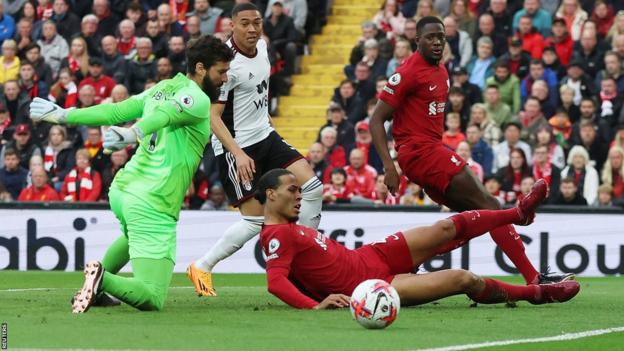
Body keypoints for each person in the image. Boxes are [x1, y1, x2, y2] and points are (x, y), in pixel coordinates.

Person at [29, 35, 234, 313]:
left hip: (123, 190)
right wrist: (132, 132)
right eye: (221, 71)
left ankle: (95, 289)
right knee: (151, 296)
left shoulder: (162, 87)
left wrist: (66, 115)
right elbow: (164, 116)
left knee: (130, 238)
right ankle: (101, 277)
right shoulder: (196, 98)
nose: (225, 78)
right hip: (153, 200)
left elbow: (116, 110)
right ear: (200, 68)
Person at [370, 16, 571, 286]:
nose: (437, 42)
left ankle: (406, 265)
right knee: (490, 206)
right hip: (420, 153)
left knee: (476, 220)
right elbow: (375, 120)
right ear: (417, 40)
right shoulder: (406, 73)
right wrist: (389, 166)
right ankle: (533, 273)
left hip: (430, 152)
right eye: (430, 37)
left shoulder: (441, 72)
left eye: (441, 37)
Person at [257, 168, 579, 310]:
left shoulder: (289, 226)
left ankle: (516, 214)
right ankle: (537, 293)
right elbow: (276, 282)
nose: (300, 197)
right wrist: (314, 307)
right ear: (271, 196)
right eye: (292, 191)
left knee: (444, 229)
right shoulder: (275, 234)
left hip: (372, 256)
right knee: (462, 278)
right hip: (375, 286)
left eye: (300, 190)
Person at [188, 4, 323, 297]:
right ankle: (202, 266)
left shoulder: (263, 47)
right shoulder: (225, 63)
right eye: (245, 23)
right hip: (236, 146)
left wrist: (270, 125)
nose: (252, 29)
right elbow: (213, 117)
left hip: (266, 135)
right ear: (232, 26)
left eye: (257, 22)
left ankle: (311, 262)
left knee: (312, 187)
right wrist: (237, 152)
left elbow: (261, 91)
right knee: (256, 220)